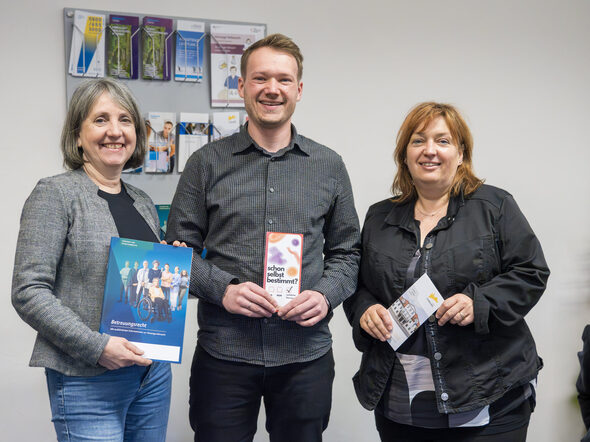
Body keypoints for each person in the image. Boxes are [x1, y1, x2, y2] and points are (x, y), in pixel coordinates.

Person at [166, 33, 361, 442]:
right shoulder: (204, 164)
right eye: (260, 78)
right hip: (224, 355)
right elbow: (175, 255)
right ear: (241, 87)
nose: (272, 89)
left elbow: (348, 253)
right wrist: (224, 290)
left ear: (299, 90)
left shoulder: (329, 166)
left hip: (304, 356)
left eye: (283, 80)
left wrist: (326, 294)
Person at [343, 102, 549, 441]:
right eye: (418, 140)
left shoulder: (495, 207)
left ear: (461, 153)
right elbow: (359, 284)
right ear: (404, 155)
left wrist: (479, 303)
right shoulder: (379, 217)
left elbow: (531, 272)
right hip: (400, 403)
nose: (429, 151)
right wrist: (365, 310)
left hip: (487, 396)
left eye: (442, 141)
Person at [11, 78, 171, 441]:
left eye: (125, 120)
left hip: (152, 372)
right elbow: (28, 291)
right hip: (87, 377)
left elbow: (141, 285)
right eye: (100, 120)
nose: (115, 131)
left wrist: (170, 267)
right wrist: (97, 347)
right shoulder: (55, 194)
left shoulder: (142, 200)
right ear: (78, 135)